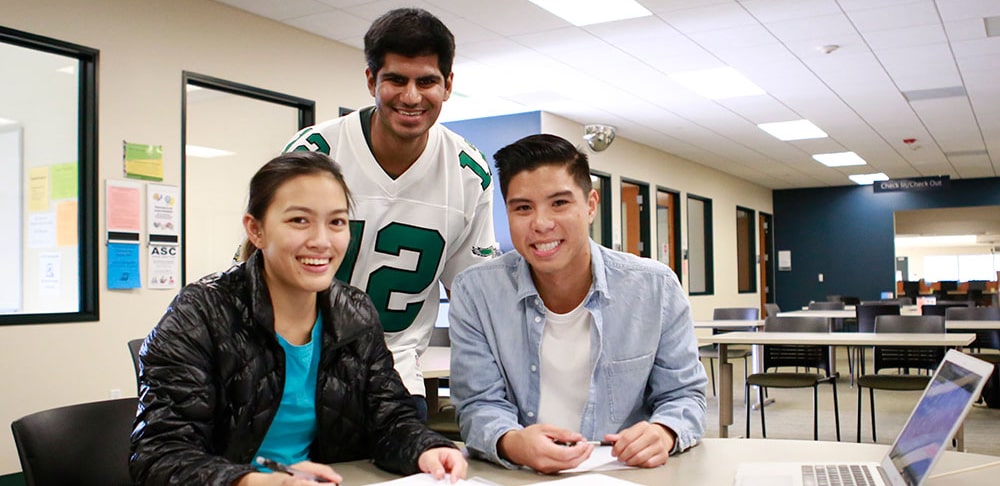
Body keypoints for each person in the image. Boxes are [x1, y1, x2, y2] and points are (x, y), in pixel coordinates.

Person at [130, 151, 466, 485]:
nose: (321, 241)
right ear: (256, 230)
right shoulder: (201, 313)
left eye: (336, 222)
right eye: (299, 221)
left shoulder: (355, 312)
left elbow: (389, 417)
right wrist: (250, 482)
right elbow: (159, 454)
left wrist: (426, 448)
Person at [282, 7, 497, 420]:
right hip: (298, 372)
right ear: (371, 80)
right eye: (396, 79)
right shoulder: (313, 155)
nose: (411, 96)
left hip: (394, 378)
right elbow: (263, 272)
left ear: (448, 85)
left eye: (427, 81)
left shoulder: (468, 173)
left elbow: (473, 297)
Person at [449, 134, 707, 474]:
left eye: (559, 203)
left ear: (591, 205)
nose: (541, 224)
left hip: (624, 473)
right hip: (520, 476)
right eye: (523, 207)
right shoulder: (476, 292)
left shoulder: (655, 288)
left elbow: (684, 395)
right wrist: (513, 442)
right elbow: (477, 404)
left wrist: (664, 432)